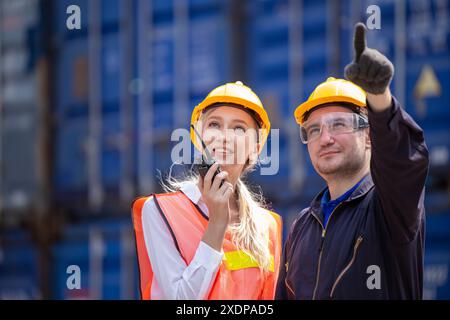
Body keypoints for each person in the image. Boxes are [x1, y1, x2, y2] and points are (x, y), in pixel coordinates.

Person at [275, 23, 429, 299]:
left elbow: (402, 162)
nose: (325, 139)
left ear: (369, 135)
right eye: (314, 130)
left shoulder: (390, 206)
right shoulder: (302, 226)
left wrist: (380, 99)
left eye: (338, 125)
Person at [132, 81, 282, 300]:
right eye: (214, 125)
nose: (224, 136)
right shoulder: (160, 211)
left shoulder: (268, 226)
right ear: (198, 139)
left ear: (255, 148)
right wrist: (217, 223)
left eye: (239, 128)